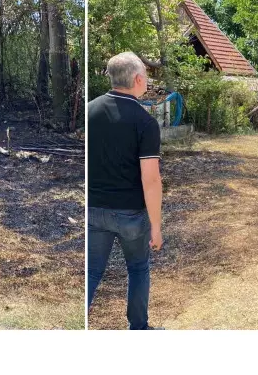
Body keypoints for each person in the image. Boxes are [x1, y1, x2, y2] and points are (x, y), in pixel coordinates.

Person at [87, 51, 163, 330]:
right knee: (138, 268)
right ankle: (139, 329)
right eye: (146, 76)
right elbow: (151, 180)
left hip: (93, 210)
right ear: (138, 79)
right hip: (131, 214)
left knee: (91, 273)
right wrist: (156, 226)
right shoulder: (145, 122)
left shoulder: (89, 111)